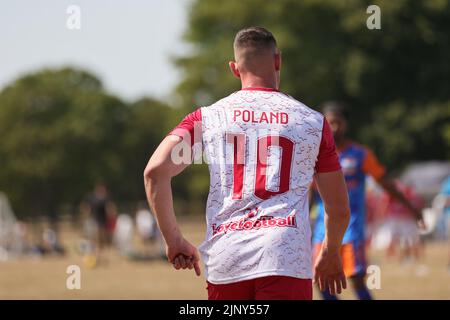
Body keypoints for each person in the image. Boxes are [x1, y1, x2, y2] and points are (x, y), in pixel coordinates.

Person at [144, 27, 350, 300]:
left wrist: (174, 240)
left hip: (227, 257)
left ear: (234, 68)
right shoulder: (312, 122)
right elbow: (338, 208)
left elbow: (155, 172)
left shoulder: (208, 118)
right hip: (284, 255)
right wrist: (331, 251)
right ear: (278, 61)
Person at [311, 102, 424, 300]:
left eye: (338, 122)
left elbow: (386, 184)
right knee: (322, 281)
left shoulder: (360, 155)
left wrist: (412, 209)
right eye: (330, 123)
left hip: (352, 230)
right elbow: (306, 191)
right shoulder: (314, 155)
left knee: (357, 279)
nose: (334, 128)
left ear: (346, 124)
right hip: (322, 232)